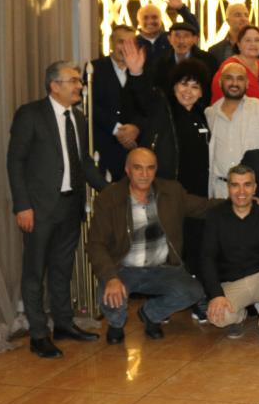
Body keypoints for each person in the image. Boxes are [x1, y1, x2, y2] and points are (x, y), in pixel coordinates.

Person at [7, 61, 109, 358]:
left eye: (79, 81)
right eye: (74, 81)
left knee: (63, 269)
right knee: (34, 272)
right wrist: (22, 205)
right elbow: (15, 162)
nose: (80, 86)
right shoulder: (30, 114)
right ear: (54, 86)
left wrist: (109, 190)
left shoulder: (78, 117)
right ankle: (39, 334)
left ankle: (63, 323)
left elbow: (84, 162)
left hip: (70, 206)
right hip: (38, 209)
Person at [86, 148, 212, 344]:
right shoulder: (109, 198)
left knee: (192, 291)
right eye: (138, 168)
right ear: (127, 170)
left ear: (156, 170)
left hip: (163, 269)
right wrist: (111, 277)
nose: (144, 174)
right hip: (124, 269)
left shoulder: (171, 192)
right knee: (109, 292)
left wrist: (240, 201)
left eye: (150, 168)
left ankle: (151, 314)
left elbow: (204, 207)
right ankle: (116, 324)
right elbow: (96, 244)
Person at [118, 40, 212, 280]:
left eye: (195, 86)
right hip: (169, 190)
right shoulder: (163, 107)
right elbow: (143, 96)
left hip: (199, 193)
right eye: (183, 84)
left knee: (196, 247)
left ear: (202, 92)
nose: (188, 91)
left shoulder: (204, 115)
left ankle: (194, 293)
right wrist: (136, 72)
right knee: (168, 249)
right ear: (174, 86)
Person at [200, 165, 259, 347]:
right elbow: (207, 258)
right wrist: (216, 295)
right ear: (228, 188)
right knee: (217, 318)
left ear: (255, 188)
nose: (241, 191)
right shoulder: (215, 216)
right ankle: (238, 316)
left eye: (247, 185)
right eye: (235, 185)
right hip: (233, 282)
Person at [206, 62, 259, 198]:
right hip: (220, 191)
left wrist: (256, 168)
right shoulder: (210, 113)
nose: (234, 83)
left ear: (247, 83)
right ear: (220, 82)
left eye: (240, 78)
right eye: (229, 78)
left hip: (255, 191)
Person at [88, 24, 138, 181]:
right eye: (121, 42)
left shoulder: (142, 70)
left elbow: (147, 107)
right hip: (104, 146)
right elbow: (90, 105)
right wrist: (117, 130)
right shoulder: (94, 68)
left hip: (134, 147)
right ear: (111, 43)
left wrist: (135, 128)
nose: (125, 47)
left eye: (130, 43)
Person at [149, 21, 217, 95]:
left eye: (186, 36)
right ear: (169, 39)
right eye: (177, 36)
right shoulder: (160, 62)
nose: (181, 41)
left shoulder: (208, 61)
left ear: (195, 39)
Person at [134, 0, 201, 59]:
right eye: (145, 18)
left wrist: (181, 8)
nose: (150, 21)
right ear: (139, 21)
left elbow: (194, 30)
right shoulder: (133, 43)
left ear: (161, 19)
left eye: (154, 17)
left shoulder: (172, 39)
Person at [210, 24, 259, 103]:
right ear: (238, 44)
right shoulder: (229, 67)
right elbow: (220, 99)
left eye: (257, 40)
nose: (253, 44)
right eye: (248, 40)